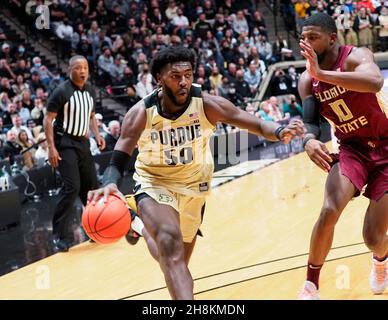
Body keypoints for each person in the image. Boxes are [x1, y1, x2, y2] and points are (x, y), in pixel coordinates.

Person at [87, 46, 305, 300]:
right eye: (175, 76)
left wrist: (279, 131)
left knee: (173, 259)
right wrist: (110, 182)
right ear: (159, 78)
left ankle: (138, 225)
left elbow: (251, 121)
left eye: (188, 75)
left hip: (195, 188)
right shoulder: (141, 113)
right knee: (169, 242)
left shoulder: (206, 104)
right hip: (155, 183)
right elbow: (120, 155)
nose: (183, 82)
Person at [297, 13, 388, 299]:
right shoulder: (305, 81)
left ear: (332, 38)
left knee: (373, 238)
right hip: (352, 149)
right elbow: (311, 123)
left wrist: (321, 74)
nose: (306, 43)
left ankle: (381, 259)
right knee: (329, 209)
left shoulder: (355, 56)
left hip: (387, 147)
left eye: (313, 37)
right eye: (303, 38)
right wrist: (308, 140)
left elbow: (373, 82)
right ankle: (311, 284)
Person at [44, 55, 105, 252]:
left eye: (85, 67)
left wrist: (97, 135)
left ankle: (94, 228)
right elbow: (48, 120)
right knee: (72, 188)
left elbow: (92, 116)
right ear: (70, 69)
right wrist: (51, 147)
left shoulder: (90, 90)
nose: (82, 71)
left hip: (83, 142)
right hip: (64, 142)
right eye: (78, 67)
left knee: (91, 189)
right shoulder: (61, 91)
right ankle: (58, 236)